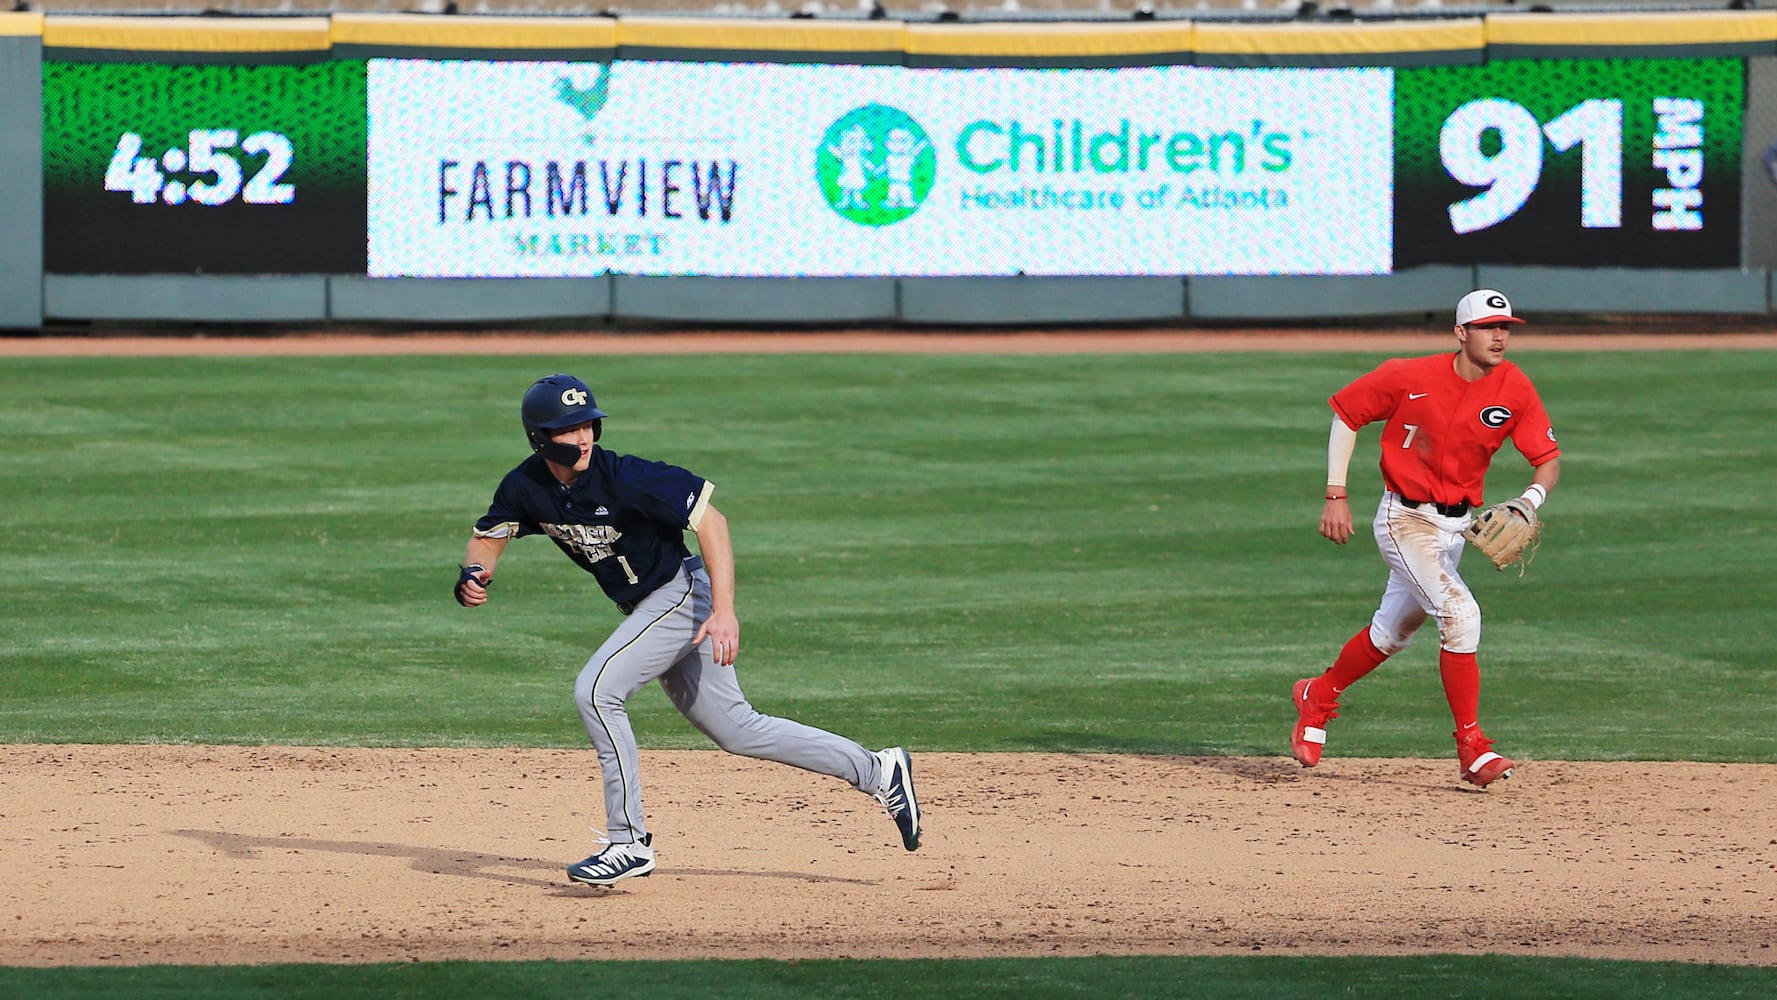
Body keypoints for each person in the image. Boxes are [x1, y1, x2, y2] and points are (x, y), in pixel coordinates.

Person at [456, 373, 921, 887]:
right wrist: (476, 573)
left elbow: (711, 521)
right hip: (651, 608)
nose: (585, 437)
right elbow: (490, 535)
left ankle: (628, 841)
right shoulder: (527, 485)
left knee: (597, 690)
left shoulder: (629, 477)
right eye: (571, 429)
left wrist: (724, 609)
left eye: (589, 424)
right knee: (737, 728)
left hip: (679, 594)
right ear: (540, 438)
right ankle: (878, 771)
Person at [1292, 289, 1561, 787]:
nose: (1499, 336)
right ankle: (1472, 748)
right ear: (1461, 333)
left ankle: (1318, 694)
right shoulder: (1407, 375)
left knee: (1390, 633)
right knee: (1461, 615)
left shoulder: (1515, 387)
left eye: (1506, 327)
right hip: (1405, 521)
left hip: (1458, 527)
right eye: (1487, 327)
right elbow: (1347, 415)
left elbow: (1547, 460)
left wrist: (1529, 501)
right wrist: (1336, 493)